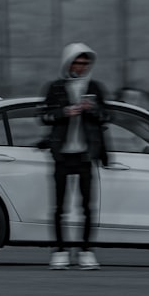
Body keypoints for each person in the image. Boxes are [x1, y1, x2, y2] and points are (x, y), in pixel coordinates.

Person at [40, 42, 111, 270]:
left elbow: (107, 117)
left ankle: (86, 251)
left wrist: (93, 110)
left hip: (85, 155)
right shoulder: (56, 87)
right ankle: (60, 251)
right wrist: (65, 112)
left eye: (85, 63)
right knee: (60, 207)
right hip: (62, 155)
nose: (81, 67)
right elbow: (44, 116)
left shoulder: (95, 87)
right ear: (68, 62)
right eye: (77, 62)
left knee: (87, 207)